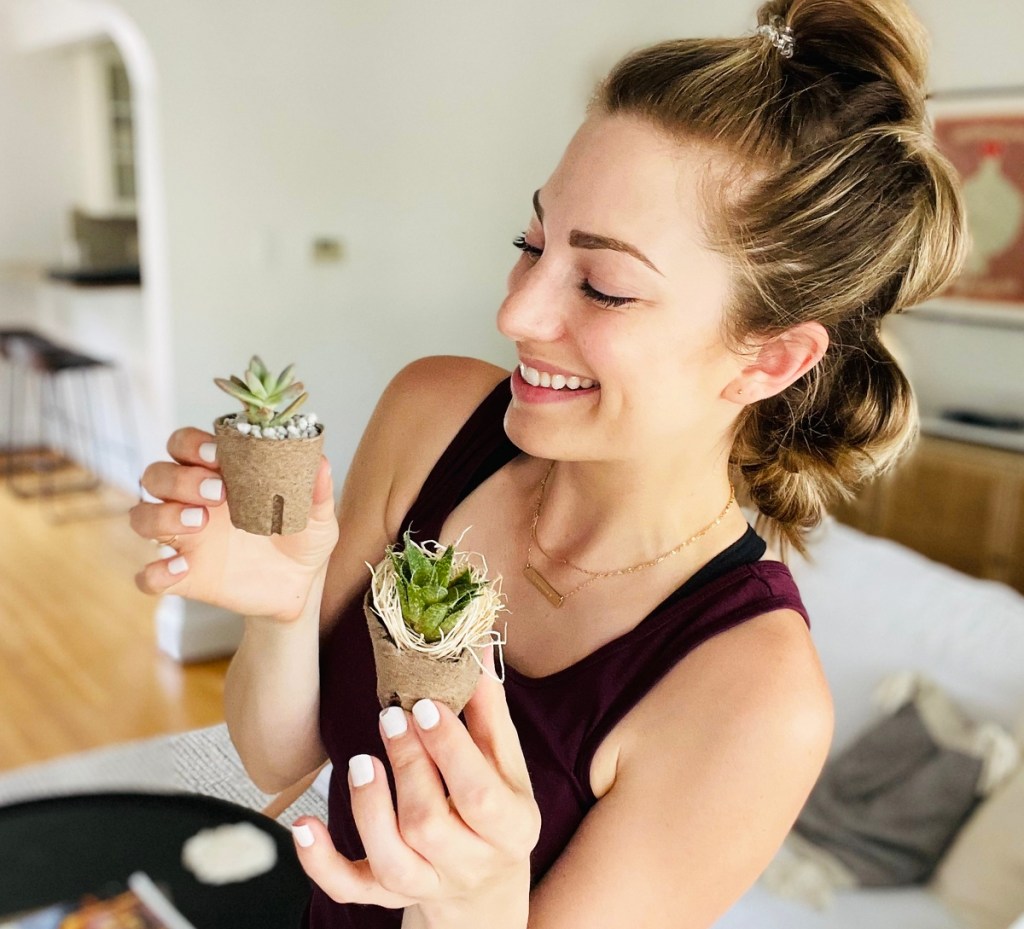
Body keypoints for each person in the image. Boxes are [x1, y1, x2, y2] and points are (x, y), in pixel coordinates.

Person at [131, 0, 966, 926]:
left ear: (767, 359)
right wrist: (283, 605)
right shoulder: (434, 417)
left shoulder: (752, 695)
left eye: (604, 287)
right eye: (532, 243)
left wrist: (480, 897)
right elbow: (278, 759)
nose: (518, 314)